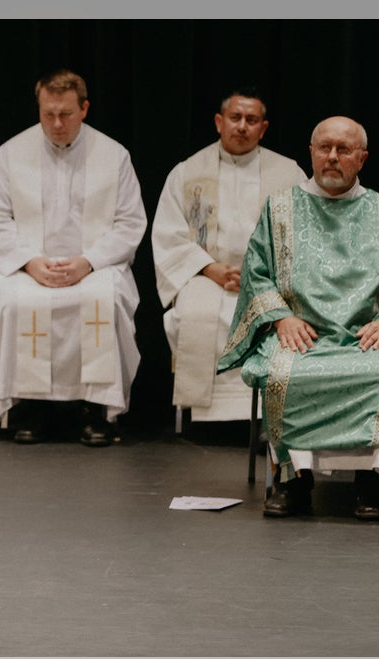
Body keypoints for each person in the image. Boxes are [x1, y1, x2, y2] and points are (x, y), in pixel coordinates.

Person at [218, 116, 379, 520]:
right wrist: (280, 318)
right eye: (324, 147)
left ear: (362, 158)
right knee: (283, 373)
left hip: (365, 335)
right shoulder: (281, 208)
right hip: (300, 333)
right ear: (311, 153)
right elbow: (256, 272)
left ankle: (372, 481)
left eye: (344, 150)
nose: (332, 157)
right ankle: (292, 481)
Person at [0, 68, 147, 447]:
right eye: (47, 114)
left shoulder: (114, 155)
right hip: (28, 265)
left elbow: (130, 221)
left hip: (91, 265)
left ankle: (96, 410)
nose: (56, 124)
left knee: (107, 299)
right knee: (8, 300)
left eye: (65, 114)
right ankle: (28, 408)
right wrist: (29, 262)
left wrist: (87, 262)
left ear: (84, 108)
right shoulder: (11, 153)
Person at [152, 90, 306, 424]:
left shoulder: (289, 173)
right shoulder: (187, 172)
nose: (242, 126)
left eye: (251, 120)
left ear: (263, 128)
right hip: (208, 277)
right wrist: (210, 268)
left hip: (269, 280)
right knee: (194, 315)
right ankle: (206, 413)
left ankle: (270, 414)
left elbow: (305, 232)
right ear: (219, 122)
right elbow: (169, 234)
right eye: (235, 118)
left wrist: (258, 273)